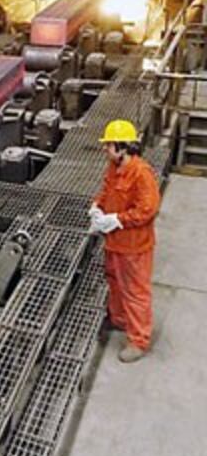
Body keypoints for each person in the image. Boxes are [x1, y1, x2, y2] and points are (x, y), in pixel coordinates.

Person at [89, 119, 161, 363]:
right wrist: (97, 207)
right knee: (115, 282)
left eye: (108, 145)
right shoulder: (114, 166)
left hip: (134, 247)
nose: (105, 149)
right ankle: (119, 320)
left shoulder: (141, 174)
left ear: (122, 147)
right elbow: (107, 190)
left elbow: (147, 210)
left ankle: (138, 341)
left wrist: (118, 220)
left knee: (135, 292)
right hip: (114, 243)